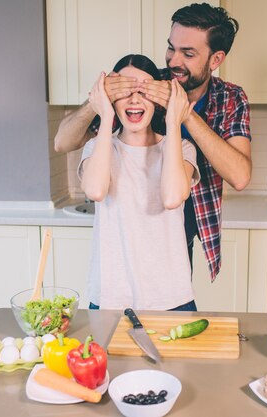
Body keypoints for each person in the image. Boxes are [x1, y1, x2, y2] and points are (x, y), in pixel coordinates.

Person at [55, 3, 251, 282]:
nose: (173, 61)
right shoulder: (146, 84)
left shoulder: (231, 98)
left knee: (170, 298)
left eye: (188, 53)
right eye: (171, 47)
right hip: (135, 229)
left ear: (216, 59)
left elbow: (240, 176)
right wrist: (96, 100)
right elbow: (62, 142)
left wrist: (182, 112)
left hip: (183, 225)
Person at [79, 54, 200, 311]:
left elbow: (172, 197)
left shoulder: (182, 148)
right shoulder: (97, 147)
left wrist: (173, 119)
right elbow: (95, 190)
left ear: (158, 100)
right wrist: (104, 113)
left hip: (171, 297)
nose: (135, 99)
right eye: (125, 90)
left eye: (145, 90)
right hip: (111, 297)